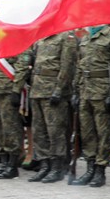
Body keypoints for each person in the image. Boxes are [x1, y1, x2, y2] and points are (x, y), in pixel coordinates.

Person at [71, 25, 110, 187]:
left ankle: (100, 169)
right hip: (85, 89)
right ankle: (90, 167)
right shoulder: (85, 37)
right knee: (87, 132)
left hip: (102, 89)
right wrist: (76, 90)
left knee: (102, 132)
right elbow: (79, 66)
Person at [25, 32, 78, 183]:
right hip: (37, 90)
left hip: (53, 90)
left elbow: (67, 66)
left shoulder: (66, 38)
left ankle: (57, 167)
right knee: (39, 131)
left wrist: (59, 89)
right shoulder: (41, 39)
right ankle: (44, 165)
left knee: (55, 131)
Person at [0, 49, 30, 178]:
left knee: (10, 128)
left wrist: (16, 89)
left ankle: (13, 165)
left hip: (8, 90)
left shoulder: (18, 44)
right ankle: (4, 163)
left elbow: (22, 67)